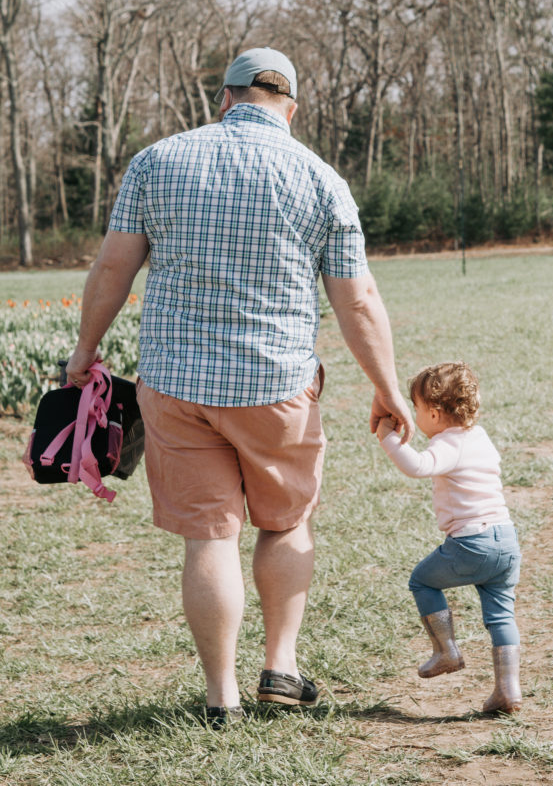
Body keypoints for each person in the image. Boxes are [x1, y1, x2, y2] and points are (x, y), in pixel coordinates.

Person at [66, 47, 413, 725]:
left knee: (210, 537)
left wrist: (85, 349)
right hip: (275, 388)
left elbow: (113, 268)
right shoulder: (319, 178)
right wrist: (388, 386)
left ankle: (220, 697)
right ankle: (280, 668)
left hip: (174, 386)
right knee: (286, 523)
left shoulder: (157, 162)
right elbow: (358, 301)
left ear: (223, 98)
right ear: (291, 108)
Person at [375, 361, 522, 714]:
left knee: (422, 581)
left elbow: (418, 466)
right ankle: (508, 690)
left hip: (472, 543)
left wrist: (388, 438)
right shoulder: (479, 436)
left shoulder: (448, 443)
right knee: (502, 617)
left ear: (436, 414)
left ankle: (446, 651)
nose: (415, 416)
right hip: (506, 540)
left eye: (417, 410)